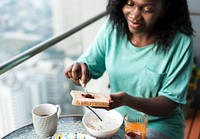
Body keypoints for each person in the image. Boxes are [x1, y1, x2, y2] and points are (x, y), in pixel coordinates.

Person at [65, 0, 194, 138]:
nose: (134, 15)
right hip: (116, 122)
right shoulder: (113, 28)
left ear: (163, 9)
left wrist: (127, 100)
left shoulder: (181, 42)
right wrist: (79, 71)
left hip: (159, 125)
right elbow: (89, 67)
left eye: (147, 9)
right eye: (130, 4)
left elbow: (169, 103)